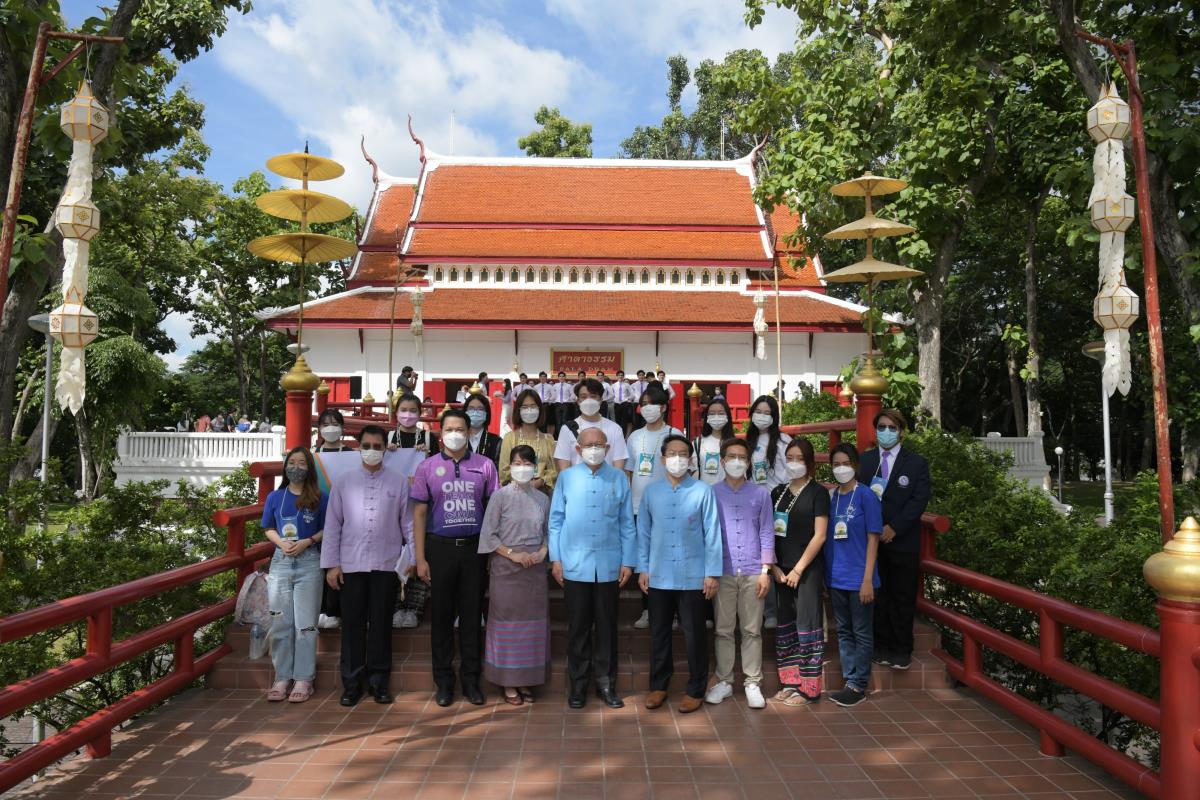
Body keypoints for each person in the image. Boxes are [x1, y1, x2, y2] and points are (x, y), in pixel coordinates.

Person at [412, 409, 500, 706]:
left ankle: (471, 680)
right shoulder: (427, 467)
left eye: (460, 429)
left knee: (472, 616)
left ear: (468, 432)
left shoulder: (485, 465)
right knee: (441, 617)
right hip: (440, 549)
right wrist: (420, 558)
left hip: (474, 549)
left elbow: (493, 511)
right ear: (441, 433)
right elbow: (419, 514)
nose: (455, 434)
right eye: (449, 428)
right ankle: (444, 682)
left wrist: (491, 552)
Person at [321, 426, 412, 706]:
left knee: (381, 624)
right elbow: (333, 525)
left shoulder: (399, 482)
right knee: (352, 625)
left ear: (385, 448)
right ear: (359, 447)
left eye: (377, 446)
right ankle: (352, 684)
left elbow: (408, 524)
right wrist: (331, 565)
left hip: (386, 564)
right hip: (351, 564)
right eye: (367, 445)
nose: (372, 450)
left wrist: (412, 559)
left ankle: (379, 682)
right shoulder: (344, 482)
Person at [549, 426, 636, 709]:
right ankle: (578, 686)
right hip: (574, 565)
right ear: (578, 449)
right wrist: (556, 559)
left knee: (607, 628)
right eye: (589, 445)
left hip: (609, 565)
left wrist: (628, 561)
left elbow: (626, 523)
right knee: (578, 628)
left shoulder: (619, 479)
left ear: (608, 449)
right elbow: (556, 521)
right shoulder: (566, 478)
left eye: (600, 444)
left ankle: (606, 684)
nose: (594, 449)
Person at [638, 435, 722, 713]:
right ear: (662, 459)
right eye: (672, 454)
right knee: (659, 632)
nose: (677, 459)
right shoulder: (651, 492)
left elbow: (712, 533)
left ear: (691, 459)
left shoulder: (702, 491)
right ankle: (659, 685)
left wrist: (712, 573)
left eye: (683, 454)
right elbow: (643, 533)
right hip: (659, 573)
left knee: (695, 634)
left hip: (693, 575)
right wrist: (643, 568)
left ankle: (696, 688)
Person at [858, 409, 931, 672]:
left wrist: (894, 528)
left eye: (892, 427)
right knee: (878, 596)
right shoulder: (864, 461)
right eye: (881, 427)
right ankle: (880, 646)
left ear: (901, 431)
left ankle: (901, 649)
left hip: (902, 540)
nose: (886, 432)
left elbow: (918, 500)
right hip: (871, 540)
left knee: (902, 595)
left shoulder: (916, 463)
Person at [478, 445, 551, 704]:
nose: (522, 468)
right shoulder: (499, 497)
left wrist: (543, 551)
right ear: (509, 467)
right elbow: (488, 535)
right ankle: (508, 682)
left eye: (527, 463)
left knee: (532, 625)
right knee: (506, 625)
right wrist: (512, 554)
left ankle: (527, 680)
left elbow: (549, 532)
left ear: (535, 467)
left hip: (534, 571)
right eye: (517, 463)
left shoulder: (543, 499)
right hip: (507, 570)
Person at [705, 437, 774, 709]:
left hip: (753, 570)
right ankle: (724, 681)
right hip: (721, 570)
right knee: (723, 629)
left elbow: (766, 531)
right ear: (722, 461)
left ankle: (752, 682)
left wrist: (766, 570)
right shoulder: (710, 493)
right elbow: (706, 533)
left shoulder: (761, 494)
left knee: (752, 629)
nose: (737, 462)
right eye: (731, 457)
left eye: (742, 457)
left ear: (748, 462)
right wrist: (708, 571)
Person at [262, 447, 328, 704]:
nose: (296, 467)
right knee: (280, 622)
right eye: (292, 462)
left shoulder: (319, 498)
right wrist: (281, 543)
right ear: (285, 466)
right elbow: (268, 527)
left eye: (302, 463)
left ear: (309, 468)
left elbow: (327, 528)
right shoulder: (275, 497)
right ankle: (282, 677)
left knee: (306, 625)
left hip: (309, 561)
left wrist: (308, 541)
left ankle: (303, 678)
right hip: (281, 562)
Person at [770, 437, 829, 706]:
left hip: (806, 570)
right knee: (786, 624)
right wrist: (773, 567)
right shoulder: (777, 492)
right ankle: (790, 682)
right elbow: (767, 532)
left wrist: (798, 569)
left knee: (807, 625)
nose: (794, 463)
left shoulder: (818, 493)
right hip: (780, 571)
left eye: (800, 459)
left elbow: (820, 535)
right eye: (790, 458)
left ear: (810, 462)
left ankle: (809, 688)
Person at [826, 442, 883, 707]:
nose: (841, 468)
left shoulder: (866, 496)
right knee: (844, 631)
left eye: (846, 463)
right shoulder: (832, 496)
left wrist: (868, 579)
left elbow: (873, 539)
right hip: (836, 577)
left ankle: (859, 684)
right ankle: (849, 680)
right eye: (836, 464)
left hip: (860, 578)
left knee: (861, 631)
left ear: (855, 465)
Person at [625, 385, 682, 631]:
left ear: (663, 407)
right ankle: (648, 610)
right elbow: (628, 472)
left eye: (652, 404)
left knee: (670, 557)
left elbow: (683, 471)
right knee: (645, 560)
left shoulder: (674, 434)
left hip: (669, 507)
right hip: (639, 507)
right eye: (644, 404)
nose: (648, 408)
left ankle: (674, 613)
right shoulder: (634, 437)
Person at [553, 378, 628, 472]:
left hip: (607, 481)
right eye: (583, 397)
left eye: (593, 396)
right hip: (576, 480)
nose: (588, 400)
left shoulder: (615, 429)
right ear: (578, 401)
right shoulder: (567, 429)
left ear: (601, 400)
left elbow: (619, 466)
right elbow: (564, 467)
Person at [498, 389, 558, 491]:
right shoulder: (510, 438)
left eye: (533, 406)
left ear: (539, 409)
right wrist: (521, 482)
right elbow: (504, 471)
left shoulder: (548, 439)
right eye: (525, 407)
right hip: (515, 491)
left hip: (542, 492)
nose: (529, 410)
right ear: (518, 410)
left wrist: (540, 481)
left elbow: (554, 470)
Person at [745, 395, 791, 488]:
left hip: (778, 494)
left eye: (767, 413)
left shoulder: (783, 440)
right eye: (758, 412)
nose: (762, 416)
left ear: (774, 417)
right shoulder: (749, 440)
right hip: (754, 495)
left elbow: (792, 469)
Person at [693, 398, 733, 486]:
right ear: (707, 417)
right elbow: (693, 472)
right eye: (712, 413)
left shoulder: (735, 444)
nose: (716, 416)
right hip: (705, 492)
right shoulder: (697, 443)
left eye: (721, 413)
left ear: (727, 416)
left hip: (728, 493)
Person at [463, 392, 501, 464]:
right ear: (465, 412)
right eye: (471, 408)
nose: (475, 412)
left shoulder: (496, 441)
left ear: (486, 413)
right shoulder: (459, 438)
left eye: (480, 409)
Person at [612, 369, 635, 436]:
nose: (620, 376)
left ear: (623, 376)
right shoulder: (613, 385)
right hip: (616, 404)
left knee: (624, 421)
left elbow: (632, 394)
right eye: (619, 375)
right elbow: (611, 395)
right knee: (617, 420)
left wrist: (628, 399)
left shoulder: (627, 385)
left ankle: (623, 435)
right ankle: (617, 434)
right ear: (617, 376)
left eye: (622, 375)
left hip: (624, 404)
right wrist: (614, 400)